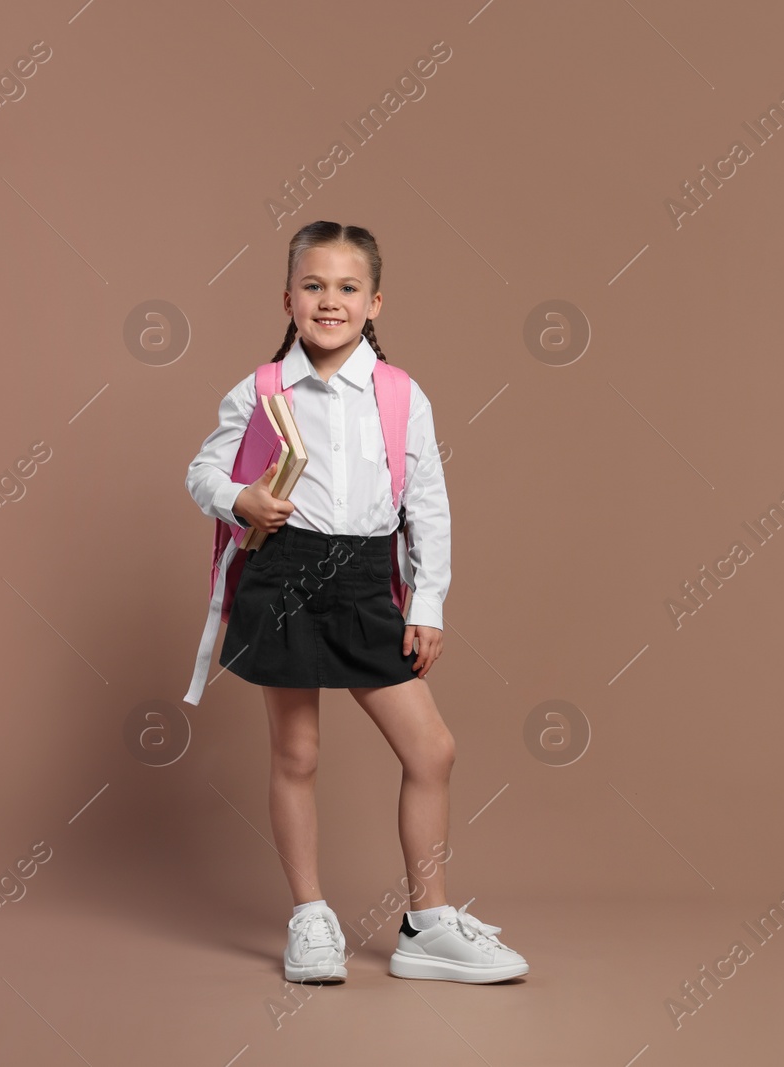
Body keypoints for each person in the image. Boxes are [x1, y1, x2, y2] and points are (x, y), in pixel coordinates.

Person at [183, 220, 529, 984]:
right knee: (297, 753)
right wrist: (242, 498)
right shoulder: (261, 389)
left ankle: (426, 922)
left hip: (371, 579)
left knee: (430, 748)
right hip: (284, 574)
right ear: (288, 298)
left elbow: (427, 503)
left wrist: (427, 601)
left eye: (346, 288)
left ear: (375, 301)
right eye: (313, 285)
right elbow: (203, 471)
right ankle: (310, 917)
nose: (329, 301)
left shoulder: (400, 394)